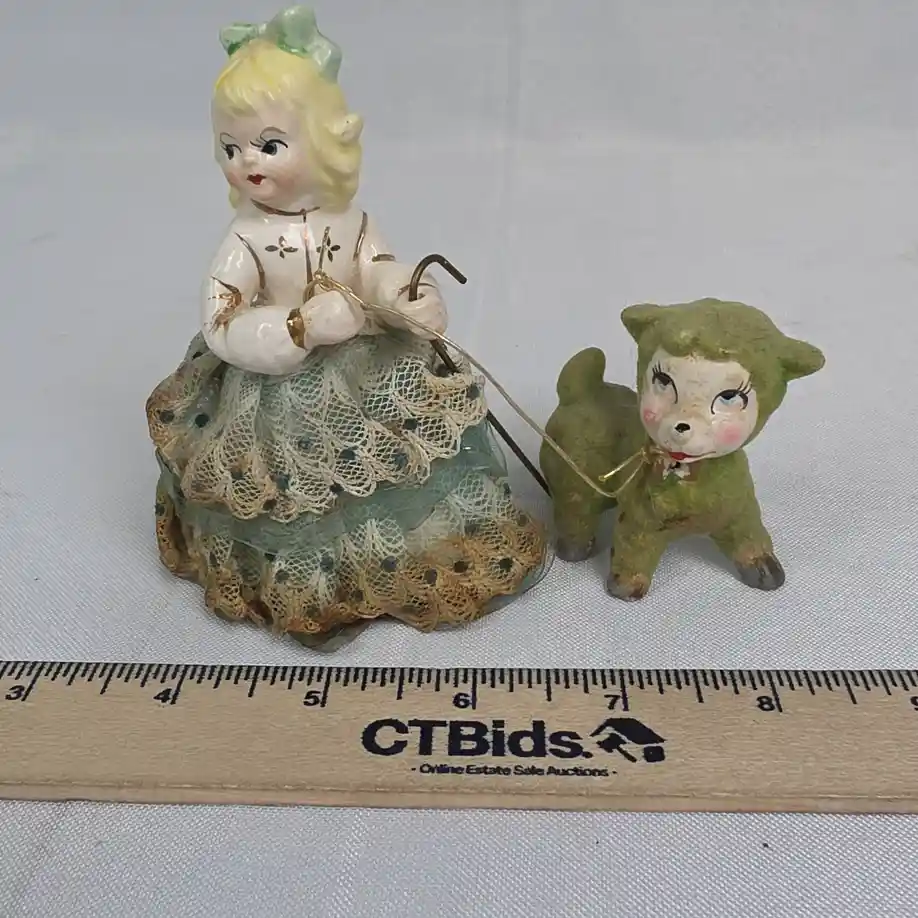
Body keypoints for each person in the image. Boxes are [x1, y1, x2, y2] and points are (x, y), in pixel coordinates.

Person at [145, 6, 549, 649]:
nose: (247, 162)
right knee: (296, 491)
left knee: (402, 457)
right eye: (230, 147)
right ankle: (315, 588)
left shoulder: (352, 220)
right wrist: (298, 326)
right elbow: (221, 321)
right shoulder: (245, 239)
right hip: (277, 395)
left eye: (269, 145)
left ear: (326, 142)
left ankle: (401, 561)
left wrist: (405, 295)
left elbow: (376, 267)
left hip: (365, 367)